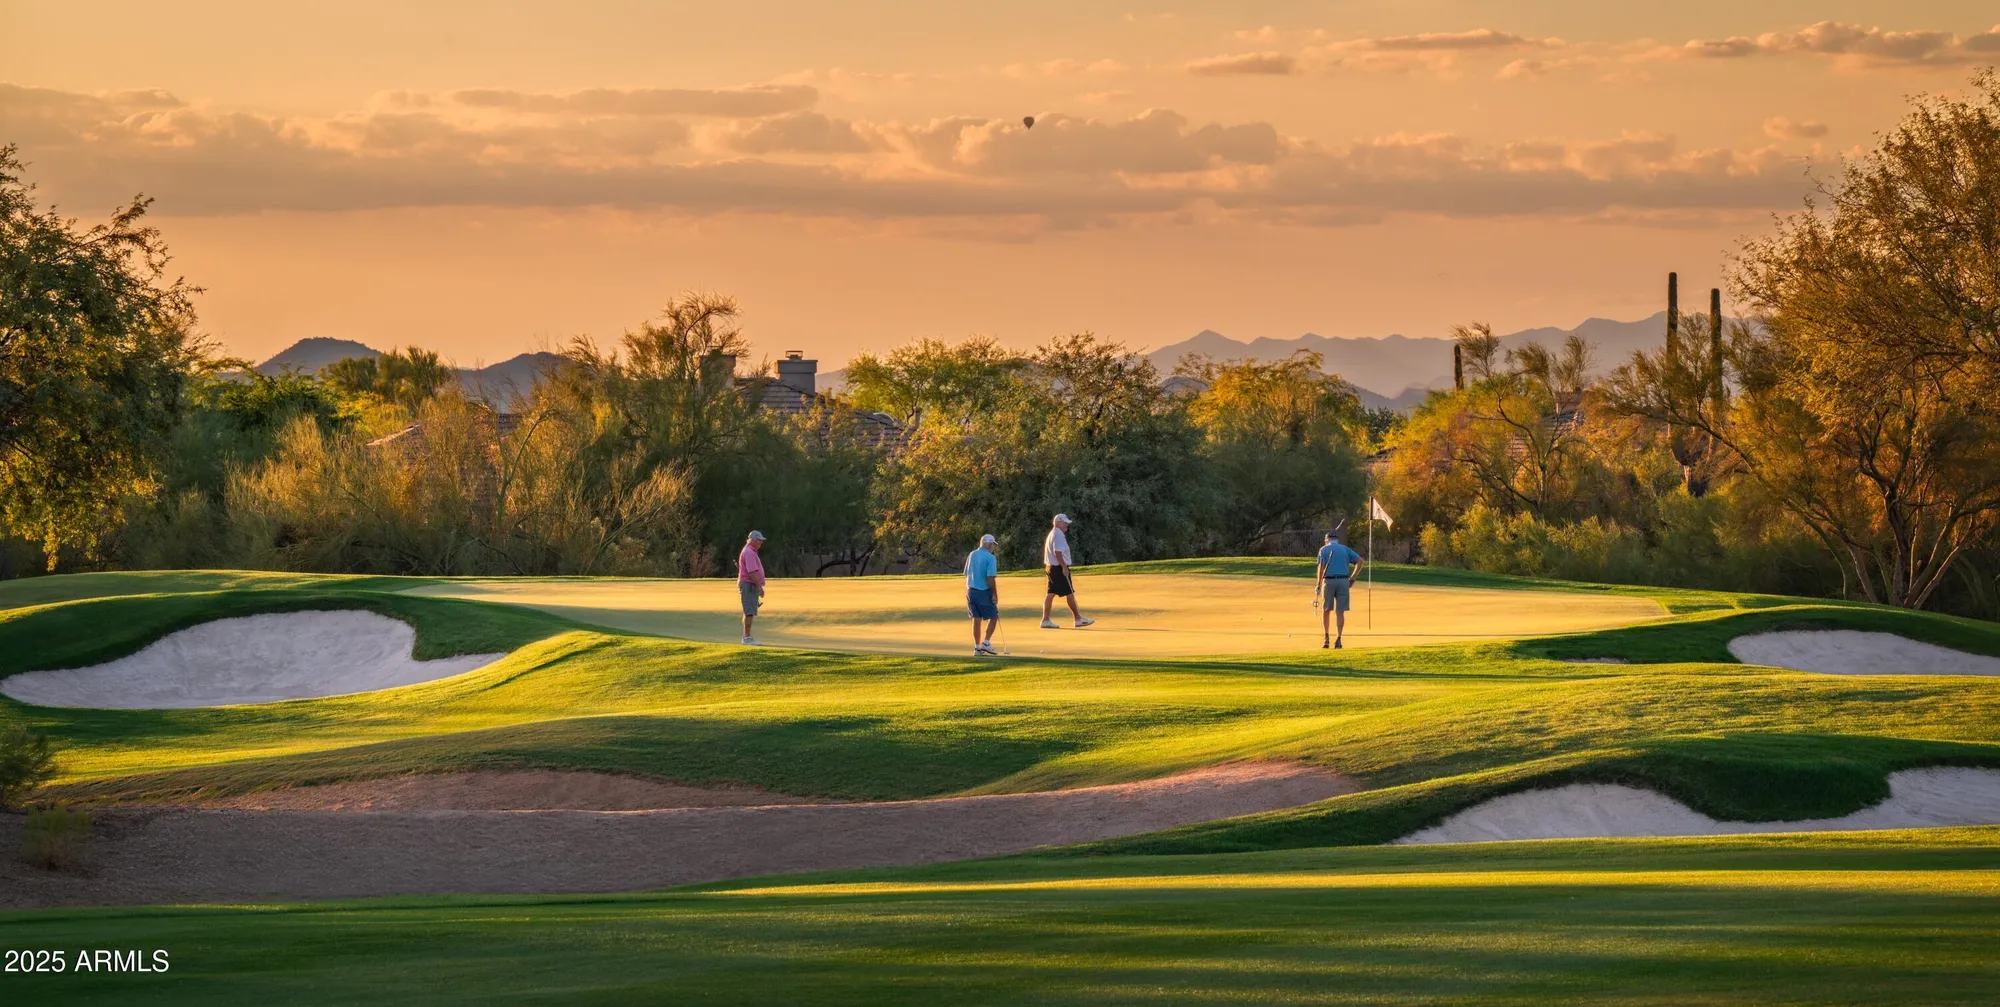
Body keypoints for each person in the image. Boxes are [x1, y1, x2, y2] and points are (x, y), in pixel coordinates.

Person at [1040, 513, 1095, 629]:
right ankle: (1078, 619)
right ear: (1058, 523)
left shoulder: (1053, 533)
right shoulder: (1058, 534)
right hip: (1058, 568)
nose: (1067, 526)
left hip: (1051, 567)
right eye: (1065, 523)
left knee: (1050, 594)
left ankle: (1045, 620)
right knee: (1069, 593)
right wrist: (1064, 567)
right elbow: (1058, 552)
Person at [1315, 528, 1364, 649]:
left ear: (1326, 540)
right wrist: (1353, 578)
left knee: (1326, 610)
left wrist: (1318, 584)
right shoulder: (1344, 549)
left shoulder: (1323, 549)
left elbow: (1321, 568)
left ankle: (1326, 638)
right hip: (1343, 581)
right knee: (1340, 612)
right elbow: (1360, 561)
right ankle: (1338, 639)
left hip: (1329, 581)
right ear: (1337, 540)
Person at [964, 533, 1002, 655]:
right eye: (993, 545)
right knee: (994, 616)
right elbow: (990, 578)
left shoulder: (972, 554)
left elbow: (966, 573)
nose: (993, 548)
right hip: (983, 592)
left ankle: (977, 648)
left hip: (970, 592)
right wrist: (994, 594)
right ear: (990, 545)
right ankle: (986, 643)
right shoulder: (990, 558)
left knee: (976, 619)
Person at [738, 530, 767, 645]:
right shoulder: (749, 552)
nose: (761, 543)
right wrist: (759, 587)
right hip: (749, 584)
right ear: (753, 540)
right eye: (759, 540)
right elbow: (752, 572)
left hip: (749, 584)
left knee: (749, 611)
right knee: (749, 611)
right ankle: (747, 638)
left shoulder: (751, 551)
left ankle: (747, 637)